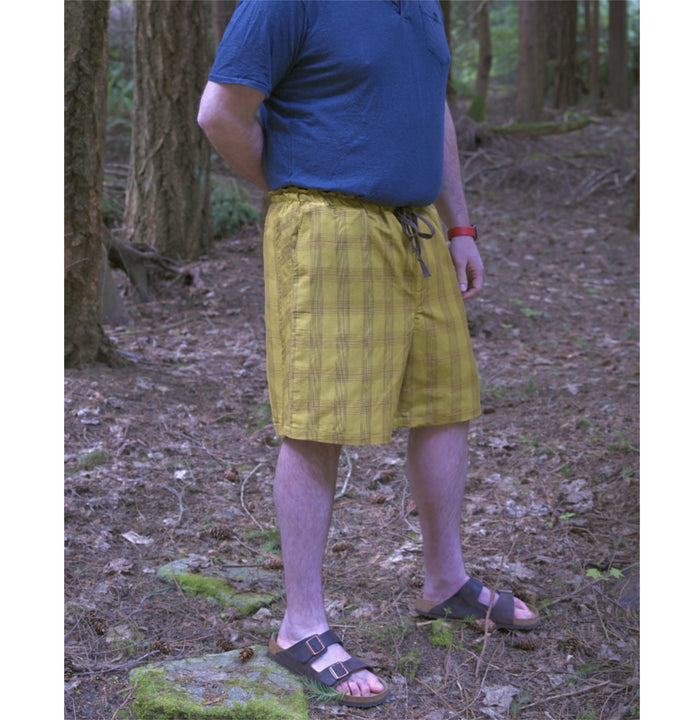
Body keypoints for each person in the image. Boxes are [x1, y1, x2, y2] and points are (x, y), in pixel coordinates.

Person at [198, 0, 540, 708]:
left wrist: (461, 226)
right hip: (328, 225)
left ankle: (445, 582)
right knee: (316, 421)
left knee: (445, 404)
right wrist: (300, 180)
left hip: (418, 227)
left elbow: (432, 110)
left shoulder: (424, 5)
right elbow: (220, 113)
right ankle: (301, 625)